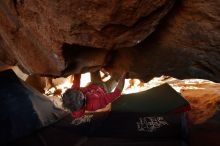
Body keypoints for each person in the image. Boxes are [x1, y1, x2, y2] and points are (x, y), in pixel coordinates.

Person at [62, 71, 126, 118]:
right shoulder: (95, 104)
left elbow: (77, 78)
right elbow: (116, 94)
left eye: (79, 91)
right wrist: (123, 76)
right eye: (82, 94)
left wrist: (77, 67)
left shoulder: (73, 93)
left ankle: (105, 72)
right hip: (106, 89)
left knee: (93, 67)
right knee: (117, 75)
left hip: (95, 83)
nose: (79, 90)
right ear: (83, 101)